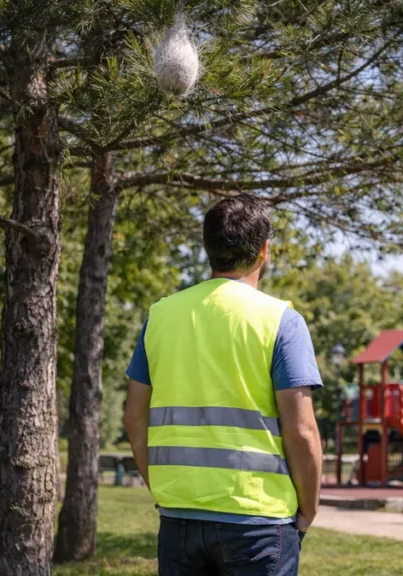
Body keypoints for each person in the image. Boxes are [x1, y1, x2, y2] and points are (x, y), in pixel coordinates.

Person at [123, 194, 324, 576]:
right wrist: (309, 507)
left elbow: (134, 419)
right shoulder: (280, 320)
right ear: (264, 250)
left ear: (206, 247)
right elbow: (301, 431)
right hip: (258, 521)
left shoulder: (160, 316)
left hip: (179, 517)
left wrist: (164, 489)